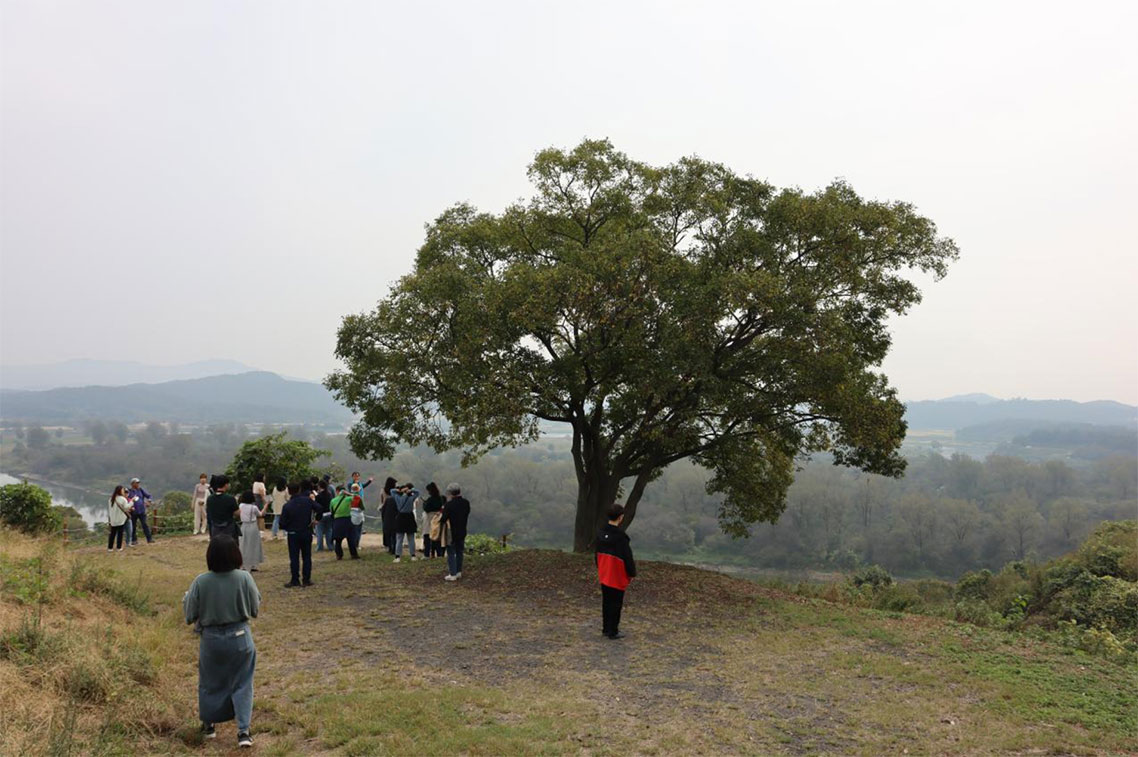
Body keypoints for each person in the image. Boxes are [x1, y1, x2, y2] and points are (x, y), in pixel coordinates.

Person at [183, 536, 260, 748]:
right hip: (241, 637)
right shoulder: (245, 578)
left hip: (211, 639)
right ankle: (243, 731)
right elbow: (255, 609)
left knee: (209, 682)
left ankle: (209, 726)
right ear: (236, 554)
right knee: (243, 683)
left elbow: (189, 615)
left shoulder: (201, 581)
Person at [595, 504, 637, 640]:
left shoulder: (600, 533)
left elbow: (596, 554)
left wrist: (600, 567)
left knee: (606, 601)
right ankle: (613, 630)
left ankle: (606, 628)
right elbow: (627, 557)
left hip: (604, 572)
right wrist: (632, 572)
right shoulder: (621, 537)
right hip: (617, 574)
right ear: (620, 518)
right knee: (616, 602)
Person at [278, 481, 315, 588]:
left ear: (289, 492)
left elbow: (282, 523)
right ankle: (306, 579)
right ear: (299, 489)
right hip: (306, 531)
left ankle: (295, 579)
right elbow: (320, 508)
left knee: (294, 558)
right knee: (307, 556)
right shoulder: (308, 501)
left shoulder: (287, 506)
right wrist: (315, 519)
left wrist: (288, 526)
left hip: (293, 534)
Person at [439, 483, 470, 581]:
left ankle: (452, 574)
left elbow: (443, 519)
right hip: (462, 530)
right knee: (460, 551)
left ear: (450, 493)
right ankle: (458, 572)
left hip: (452, 531)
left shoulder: (449, 505)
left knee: (451, 552)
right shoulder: (466, 503)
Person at [328, 485, 360, 560]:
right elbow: (357, 498)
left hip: (337, 521)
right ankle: (353, 554)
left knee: (338, 540)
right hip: (348, 519)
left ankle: (339, 555)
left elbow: (331, 511)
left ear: (337, 491)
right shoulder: (348, 499)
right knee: (351, 539)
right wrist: (349, 494)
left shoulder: (333, 500)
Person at [206, 475, 240, 541]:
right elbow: (237, 513)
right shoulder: (230, 498)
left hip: (215, 528)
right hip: (228, 528)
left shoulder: (210, 499)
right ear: (226, 485)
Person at [391, 483, 419, 562]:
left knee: (399, 538)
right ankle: (413, 555)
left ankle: (397, 556)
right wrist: (410, 490)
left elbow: (391, 491)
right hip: (409, 517)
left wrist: (399, 490)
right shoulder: (411, 497)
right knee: (411, 538)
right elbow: (418, 492)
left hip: (400, 517)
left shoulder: (397, 497)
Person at [237, 492, 264, 571]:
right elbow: (260, 514)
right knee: (253, 545)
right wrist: (266, 505)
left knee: (243, 544)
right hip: (253, 526)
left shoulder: (241, 506)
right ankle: (253, 564)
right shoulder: (254, 507)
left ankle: (243, 564)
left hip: (244, 526)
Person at [420, 482, 445, 559]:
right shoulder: (441, 498)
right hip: (438, 518)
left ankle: (426, 554)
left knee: (427, 536)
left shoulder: (430, 499)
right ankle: (439, 554)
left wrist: (424, 504)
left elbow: (426, 509)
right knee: (437, 537)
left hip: (430, 518)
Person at [127, 477, 154, 544]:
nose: (138, 484)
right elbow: (126, 499)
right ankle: (134, 540)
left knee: (145, 524)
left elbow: (149, 496)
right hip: (133, 512)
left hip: (141, 511)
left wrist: (149, 501)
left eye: (138, 483)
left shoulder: (141, 490)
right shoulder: (129, 491)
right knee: (133, 526)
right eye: (137, 483)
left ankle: (149, 539)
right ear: (132, 484)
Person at [107, 485, 131, 551]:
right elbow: (127, 507)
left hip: (113, 520)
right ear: (120, 491)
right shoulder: (123, 499)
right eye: (123, 490)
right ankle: (118, 547)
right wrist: (132, 501)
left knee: (112, 534)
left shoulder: (111, 499)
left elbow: (110, 510)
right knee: (120, 534)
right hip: (120, 520)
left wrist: (110, 519)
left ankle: (110, 548)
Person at [313, 480, 333, 552]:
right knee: (329, 531)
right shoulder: (329, 494)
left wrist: (316, 518)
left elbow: (317, 508)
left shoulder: (318, 496)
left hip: (321, 515)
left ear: (319, 486)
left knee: (319, 532)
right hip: (329, 514)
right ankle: (330, 546)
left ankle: (320, 547)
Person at [380, 477, 398, 555]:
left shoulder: (383, 490)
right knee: (394, 530)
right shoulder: (396, 491)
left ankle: (388, 545)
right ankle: (394, 547)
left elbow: (381, 500)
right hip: (394, 509)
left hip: (385, 509)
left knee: (386, 529)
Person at [348, 482, 366, 554]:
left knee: (352, 532)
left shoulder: (348, 498)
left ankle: (352, 544)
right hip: (358, 516)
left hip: (351, 515)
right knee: (358, 532)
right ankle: (356, 545)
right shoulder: (358, 498)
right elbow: (362, 508)